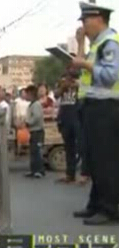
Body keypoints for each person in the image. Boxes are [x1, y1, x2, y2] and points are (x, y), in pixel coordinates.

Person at [71, 2, 119, 225]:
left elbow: (110, 76)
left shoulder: (110, 43)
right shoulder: (97, 44)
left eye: (85, 21)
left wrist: (87, 65)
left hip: (106, 108)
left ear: (98, 18)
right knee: (93, 159)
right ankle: (95, 204)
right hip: (92, 106)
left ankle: (109, 208)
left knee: (105, 160)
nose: (83, 25)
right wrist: (81, 44)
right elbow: (78, 68)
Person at [24, 85, 45, 178]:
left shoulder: (36, 104)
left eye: (27, 94)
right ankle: (33, 170)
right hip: (33, 131)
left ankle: (39, 170)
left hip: (37, 131)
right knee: (33, 151)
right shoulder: (31, 104)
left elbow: (37, 117)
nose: (26, 96)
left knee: (37, 151)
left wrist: (28, 122)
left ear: (31, 94)